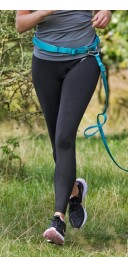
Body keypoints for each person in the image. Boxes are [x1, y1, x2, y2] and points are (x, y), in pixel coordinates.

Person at [15, 10, 112, 245]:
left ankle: (58, 219)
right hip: (45, 64)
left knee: (64, 137)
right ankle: (75, 191)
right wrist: (47, 10)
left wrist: (107, 9)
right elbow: (20, 24)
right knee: (55, 139)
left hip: (84, 59)